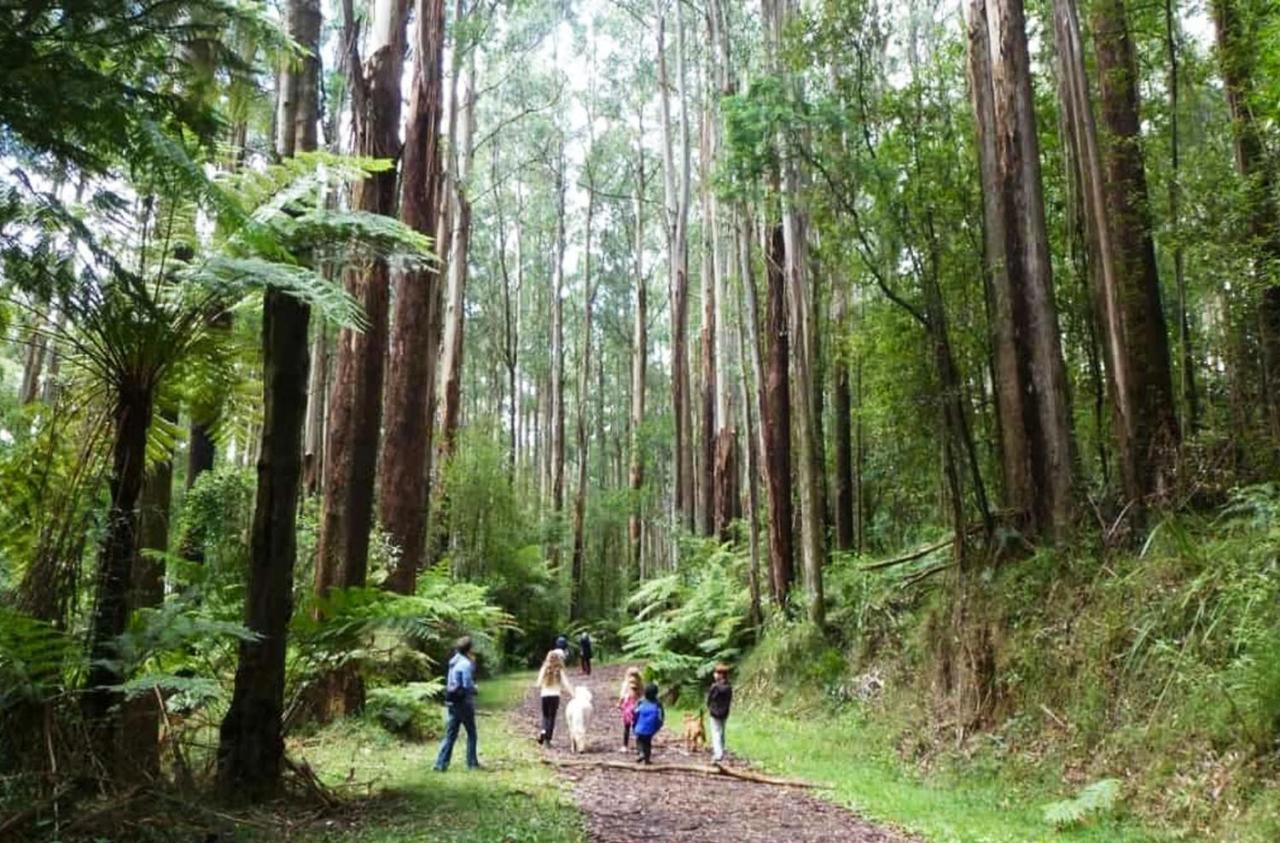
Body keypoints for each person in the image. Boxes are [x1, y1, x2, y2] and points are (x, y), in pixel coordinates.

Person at [434, 636, 480, 771]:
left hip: (452, 702)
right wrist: (475, 689)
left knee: (450, 735)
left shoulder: (453, 662)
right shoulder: (465, 664)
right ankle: (472, 763)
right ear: (469, 649)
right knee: (472, 733)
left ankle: (440, 763)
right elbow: (467, 685)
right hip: (464, 703)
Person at [535, 649, 574, 746]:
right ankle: (548, 740)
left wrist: (543, 685)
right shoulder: (559, 670)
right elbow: (566, 683)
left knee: (545, 716)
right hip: (555, 696)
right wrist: (573, 694)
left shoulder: (544, 668)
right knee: (552, 717)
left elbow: (538, 683)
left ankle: (543, 731)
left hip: (545, 695)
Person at [706, 663, 733, 763]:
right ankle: (721, 750)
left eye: (716, 673)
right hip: (725, 712)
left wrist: (709, 707)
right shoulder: (729, 686)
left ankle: (718, 754)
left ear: (721, 675)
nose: (715, 674)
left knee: (715, 732)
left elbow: (710, 699)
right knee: (722, 732)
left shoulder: (715, 686)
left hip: (714, 713)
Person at [632, 681, 664, 764]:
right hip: (650, 728)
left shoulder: (641, 702)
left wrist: (634, 725)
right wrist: (658, 725)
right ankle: (647, 759)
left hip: (640, 727)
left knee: (639, 741)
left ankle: (641, 753)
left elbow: (635, 713)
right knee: (648, 743)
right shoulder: (658, 703)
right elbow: (661, 716)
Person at [617, 666, 643, 752]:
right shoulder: (640, 684)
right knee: (637, 727)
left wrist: (619, 704)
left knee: (627, 727)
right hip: (638, 706)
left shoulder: (626, 684)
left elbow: (622, 696)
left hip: (628, 707)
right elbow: (642, 696)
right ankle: (639, 747)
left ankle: (625, 746)